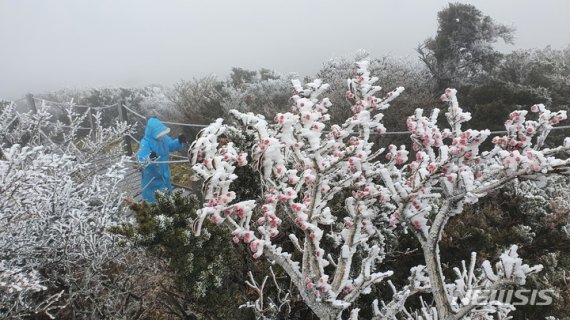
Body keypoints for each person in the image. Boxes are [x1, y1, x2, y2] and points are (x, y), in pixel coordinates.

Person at [136, 117, 187, 203]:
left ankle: (167, 207)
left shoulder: (164, 138)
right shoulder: (145, 143)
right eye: (159, 133)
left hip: (164, 173)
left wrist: (179, 142)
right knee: (153, 197)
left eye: (162, 133)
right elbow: (141, 160)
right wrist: (149, 158)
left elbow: (170, 146)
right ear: (152, 132)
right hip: (151, 176)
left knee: (166, 191)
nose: (161, 135)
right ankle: (152, 209)